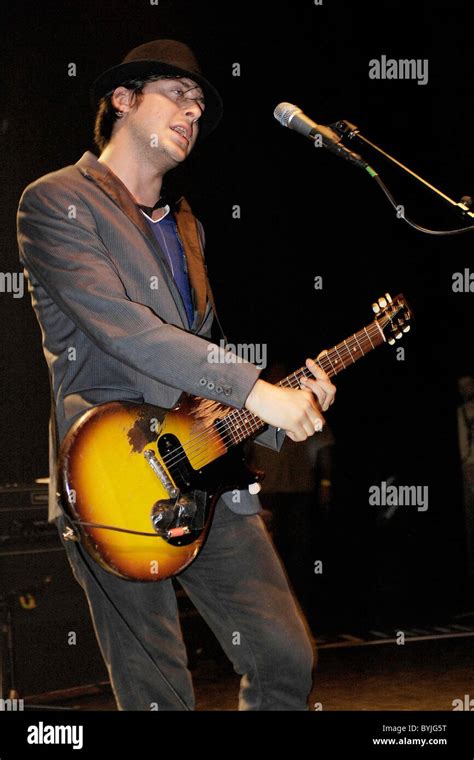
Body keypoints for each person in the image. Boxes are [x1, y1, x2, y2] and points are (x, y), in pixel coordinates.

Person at [16, 39, 336, 711]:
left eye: (200, 104)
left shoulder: (187, 226)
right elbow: (126, 329)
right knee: (157, 689)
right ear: (123, 99)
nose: (193, 112)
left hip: (205, 466)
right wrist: (259, 393)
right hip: (109, 477)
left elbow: (202, 356)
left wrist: (285, 405)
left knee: (285, 657)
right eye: (177, 95)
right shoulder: (53, 202)